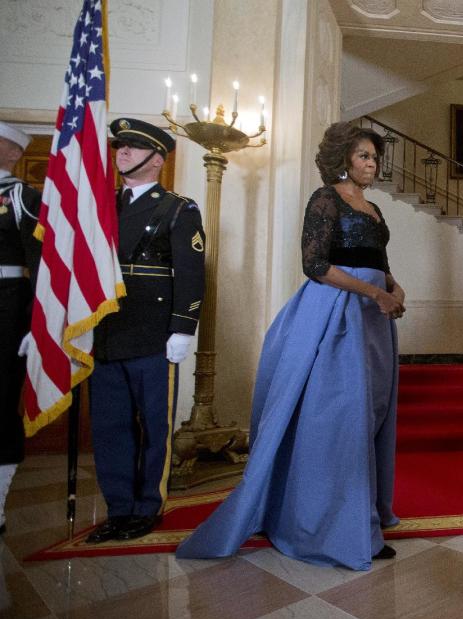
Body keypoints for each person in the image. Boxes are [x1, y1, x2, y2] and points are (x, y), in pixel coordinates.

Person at [177, 122, 405, 570]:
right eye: (363, 156)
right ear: (343, 159)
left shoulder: (374, 207)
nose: (371, 163)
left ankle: (366, 516)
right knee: (339, 420)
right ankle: (334, 526)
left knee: (372, 417)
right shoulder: (324, 199)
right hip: (334, 316)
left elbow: (377, 260)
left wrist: (394, 288)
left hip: (374, 322)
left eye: (374, 157)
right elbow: (315, 264)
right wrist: (374, 293)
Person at [84, 118, 205, 543]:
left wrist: (183, 328)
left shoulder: (177, 208)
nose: (123, 153)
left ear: (157, 159)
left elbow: (191, 275)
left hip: (154, 333)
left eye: (134, 147)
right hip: (107, 331)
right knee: (110, 425)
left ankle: (147, 507)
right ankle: (118, 507)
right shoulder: (101, 205)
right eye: (121, 146)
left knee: (155, 425)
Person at [0, 122, 41, 536]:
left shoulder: (22, 198)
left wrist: (35, 322)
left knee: (0, 403)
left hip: (7, 307)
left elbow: (43, 264)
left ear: (13, 153)